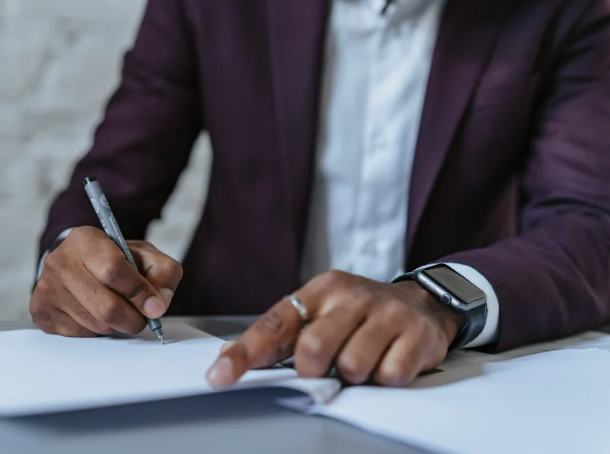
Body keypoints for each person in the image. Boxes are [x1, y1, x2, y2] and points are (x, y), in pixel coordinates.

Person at [30, 0, 610, 388]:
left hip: (444, 378)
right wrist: (76, 260)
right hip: (220, 371)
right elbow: (111, 179)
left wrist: (439, 298)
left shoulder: (569, 9)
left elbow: (589, 224)